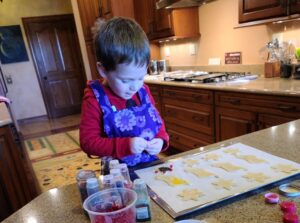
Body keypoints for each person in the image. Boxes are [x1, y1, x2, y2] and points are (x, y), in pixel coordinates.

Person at [79, 17, 169, 167]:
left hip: (149, 166)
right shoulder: (94, 99)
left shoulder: (143, 91)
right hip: (117, 173)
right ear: (103, 70)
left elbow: (158, 124)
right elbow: (88, 142)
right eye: (126, 81)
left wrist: (161, 140)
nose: (135, 87)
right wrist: (125, 146)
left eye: (140, 77)